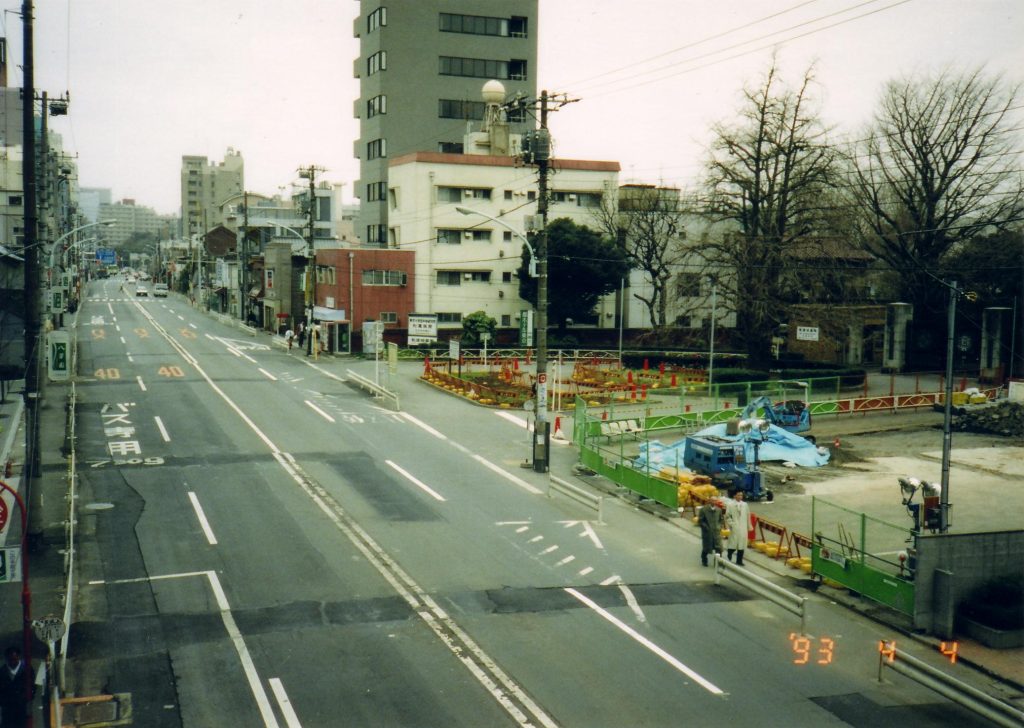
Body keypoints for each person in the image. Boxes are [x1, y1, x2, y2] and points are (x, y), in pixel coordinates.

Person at [0, 646, 34, 727]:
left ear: (18, 657)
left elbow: (32, 686)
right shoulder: (2, 671)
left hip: (22, 708)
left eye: (14, 659)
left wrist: (27, 699)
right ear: (6, 659)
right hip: (7, 710)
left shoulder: (26, 669)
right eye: (10, 660)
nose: (12, 662)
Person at [724, 490, 752, 566]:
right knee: (733, 542)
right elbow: (727, 516)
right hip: (735, 526)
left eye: (741, 495)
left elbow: (748, 515)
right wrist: (732, 524)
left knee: (742, 544)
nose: (740, 497)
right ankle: (730, 552)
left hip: (743, 526)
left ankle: (739, 560)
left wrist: (749, 525)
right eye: (738, 495)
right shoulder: (730, 505)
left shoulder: (745, 504)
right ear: (734, 496)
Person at [698, 496, 725, 567]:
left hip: (716, 532)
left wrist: (720, 526)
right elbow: (700, 521)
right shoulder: (704, 510)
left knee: (719, 548)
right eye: (712, 500)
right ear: (709, 501)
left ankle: (717, 562)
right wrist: (706, 527)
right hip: (708, 533)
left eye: (715, 501)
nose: (714, 502)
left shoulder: (718, 510)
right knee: (706, 548)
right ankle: (704, 560)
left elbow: (721, 519)